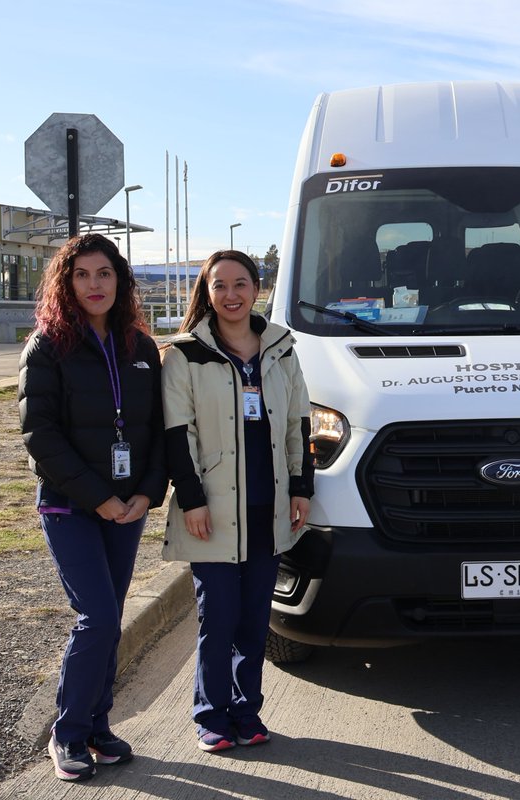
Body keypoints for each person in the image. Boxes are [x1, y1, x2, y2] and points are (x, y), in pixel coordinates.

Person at [18, 233, 166, 782]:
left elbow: (155, 430)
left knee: (109, 621)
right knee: (98, 617)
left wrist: (147, 492)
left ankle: (99, 729)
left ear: (120, 280)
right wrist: (98, 498)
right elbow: (41, 434)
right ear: (67, 282)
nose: (94, 284)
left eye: (103, 273)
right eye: (82, 275)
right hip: (71, 507)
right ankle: (69, 731)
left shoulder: (141, 347)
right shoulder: (48, 345)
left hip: (129, 507)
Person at [162, 249, 313, 752]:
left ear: (257, 287)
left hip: (267, 509)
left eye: (241, 283)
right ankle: (210, 714)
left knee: (253, 620)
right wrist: (192, 501)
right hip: (213, 511)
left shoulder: (281, 349)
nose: (231, 295)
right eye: (220, 285)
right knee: (218, 618)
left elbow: (299, 424)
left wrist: (300, 487)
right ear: (206, 292)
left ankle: (247, 712)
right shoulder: (186, 354)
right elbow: (175, 433)